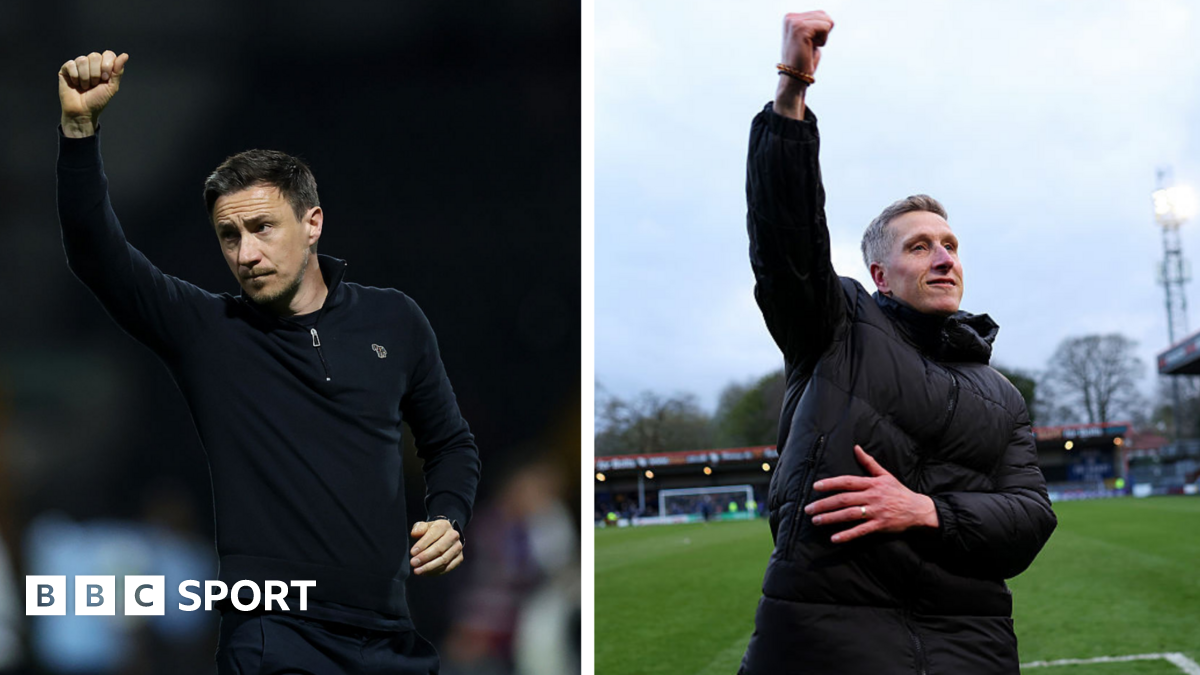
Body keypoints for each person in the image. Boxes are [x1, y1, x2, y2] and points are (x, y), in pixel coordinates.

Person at [56, 50, 481, 674]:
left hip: (391, 635)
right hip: (273, 636)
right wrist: (78, 130)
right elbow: (97, 253)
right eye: (230, 236)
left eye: (261, 228)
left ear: (312, 223)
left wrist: (448, 514)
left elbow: (451, 443)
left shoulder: (394, 319)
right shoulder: (208, 331)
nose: (246, 252)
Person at [738, 12, 1057, 675]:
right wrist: (792, 90)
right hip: (826, 645)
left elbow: (1030, 519)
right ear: (879, 273)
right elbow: (787, 242)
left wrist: (924, 510)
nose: (943, 258)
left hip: (972, 649)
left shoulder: (1002, 395)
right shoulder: (836, 325)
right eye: (920, 246)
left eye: (951, 245)